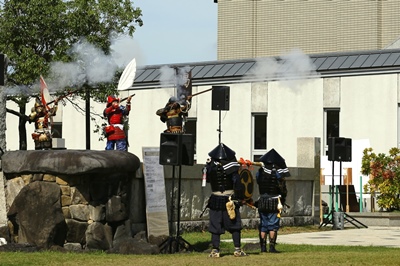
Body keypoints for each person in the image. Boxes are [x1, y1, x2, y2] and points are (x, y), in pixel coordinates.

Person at [203, 143, 248, 258]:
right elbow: (237, 184)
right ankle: (237, 249)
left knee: (215, 225)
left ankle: (215, 251)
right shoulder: (232, 168)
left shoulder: (209, 167)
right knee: (234, 224)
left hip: (215, 199)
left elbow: (207, 180)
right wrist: (241, 198)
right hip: (230, 199)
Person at [255, 149, 290, 253]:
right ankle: (272, 247)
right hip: (274, 201)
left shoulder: (260, 172)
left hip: (262, 201)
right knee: (272, 225)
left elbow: (258, 182)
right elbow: (282, 187)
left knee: (263, 225)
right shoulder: (278, 173)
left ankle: (263, 248)